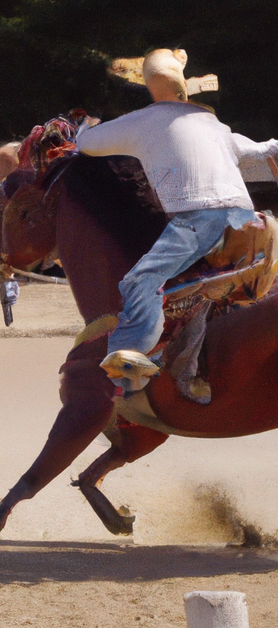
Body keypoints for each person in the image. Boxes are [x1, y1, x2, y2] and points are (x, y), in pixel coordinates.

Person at [76, 48, 278, 390]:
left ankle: (131, 361)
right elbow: (264, 151)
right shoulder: (215, 125)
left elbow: (88, 145)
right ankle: (187, 360)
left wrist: (85, 126)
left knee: (138, 281)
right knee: (192, 285)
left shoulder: (141, 121)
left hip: (201, 218)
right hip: (249, 219)